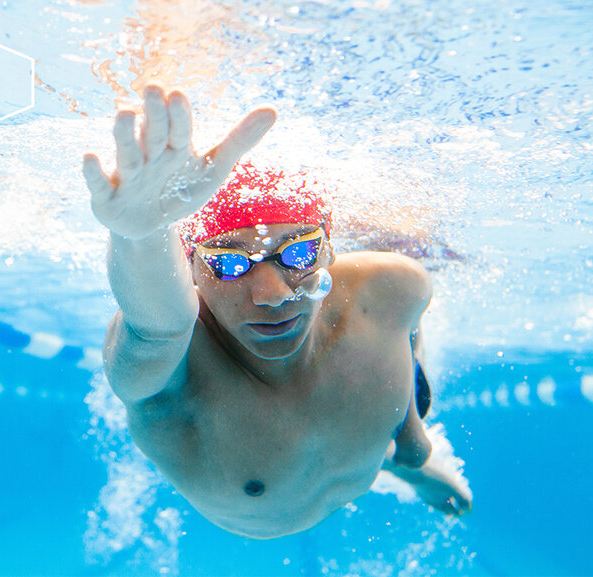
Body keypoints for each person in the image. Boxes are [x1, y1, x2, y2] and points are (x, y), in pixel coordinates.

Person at [83, 86, 472, 539]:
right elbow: (154, 327)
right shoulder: (174, 366)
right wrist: (141, 236)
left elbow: (404, 336)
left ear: (330, 247)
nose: (271, 294)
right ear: (190, 267)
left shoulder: (394, 287)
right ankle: (395, 467)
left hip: (360, 455)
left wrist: (410, 431)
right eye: (228, 262)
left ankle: (399, 466)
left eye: (298, 252)